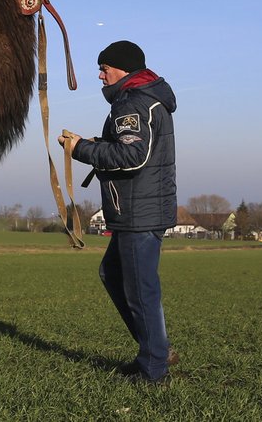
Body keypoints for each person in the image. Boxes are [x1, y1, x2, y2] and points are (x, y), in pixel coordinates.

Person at [57, 40, 178, 383]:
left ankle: (154, 369)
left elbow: (132, 156)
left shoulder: (132, 104)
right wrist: (92, 145)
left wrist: (80, 149)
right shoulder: (143, 99)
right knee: (113, 274)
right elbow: (130, 149)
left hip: (139, 213)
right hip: (139, 210)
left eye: (105, 68)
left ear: (123, 70)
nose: (100, 75)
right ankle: (155, 350)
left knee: (140, 290)